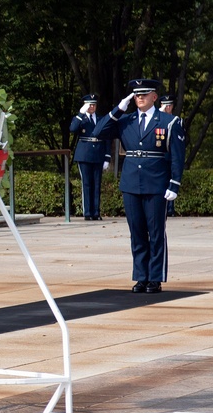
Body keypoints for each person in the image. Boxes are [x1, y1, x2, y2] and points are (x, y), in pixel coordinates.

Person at [93, 79, 185, 294]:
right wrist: (118, 108)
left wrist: (174, 183)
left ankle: (155, 278)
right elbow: (98, 132)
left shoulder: (169, 122)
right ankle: (141, 277)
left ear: (155, 97)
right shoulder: (126, 120)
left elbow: (178, 157)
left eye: (144, 94)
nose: (139, 98)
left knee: (155, 232)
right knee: (137, 233)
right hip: (131, 182)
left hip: (157, 183)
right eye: (136, 95)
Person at [70, 94, 110, 221]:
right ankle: (87, 212)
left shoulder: (101, 118)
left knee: (97, 184)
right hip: (84, 154)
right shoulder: (80, 119)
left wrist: (107, 157)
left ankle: (96, 212)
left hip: (98, 154)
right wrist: (80, 114)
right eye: (89, 104)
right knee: (86, 183)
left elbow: (107, 138)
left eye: (93, 104)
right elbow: (72, 128)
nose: (91, 107)